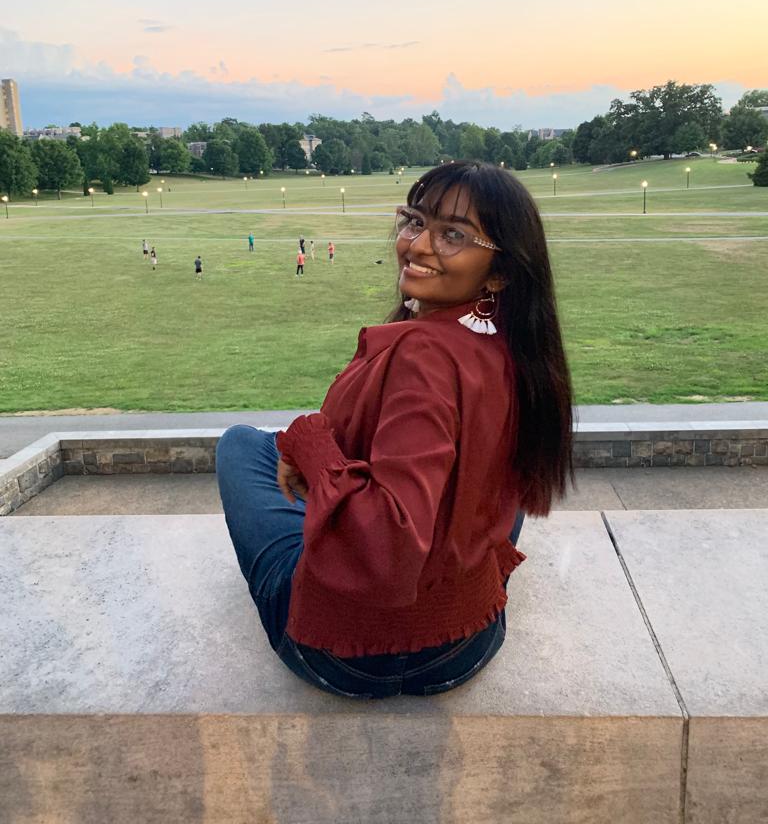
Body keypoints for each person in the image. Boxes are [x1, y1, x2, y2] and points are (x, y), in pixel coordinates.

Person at [217, 161, 573, 699]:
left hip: (351, 657)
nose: (417, 245)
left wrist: (311, 446)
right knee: (484, 469)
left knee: (242, 445)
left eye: (452, 234)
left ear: (500, 271)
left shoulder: (422, 356)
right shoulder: (512, 344)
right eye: (415, 221)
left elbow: (387, 546)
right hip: (469, 640)